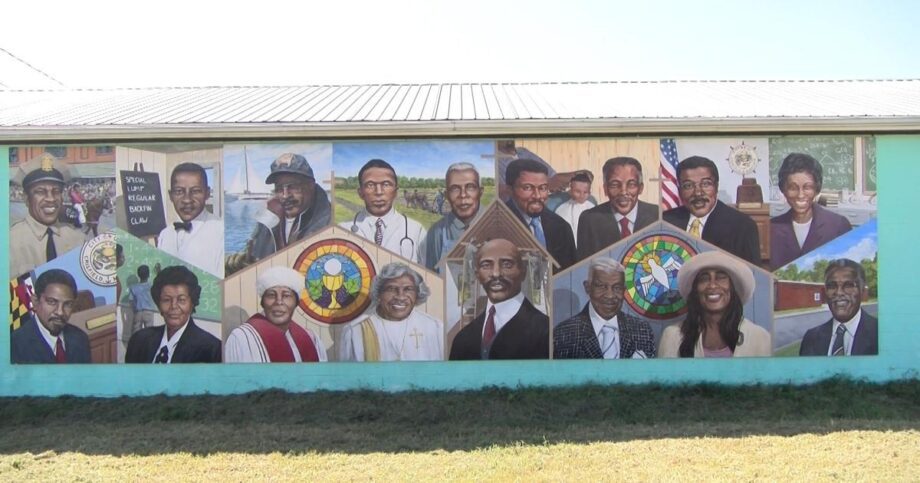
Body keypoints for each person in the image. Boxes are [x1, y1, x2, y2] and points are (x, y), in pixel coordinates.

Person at [226, 153, 332, 274]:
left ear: (311, 185)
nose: (285, 195)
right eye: (279, 188)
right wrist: (240, 264)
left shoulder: (330, 221)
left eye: (293, 187)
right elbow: (254, 256)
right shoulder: (267, 218)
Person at [449, 238, 549, 360]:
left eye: (507, 264)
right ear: (477, 275)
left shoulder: (546, 332)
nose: (496, 273)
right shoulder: (462, 340)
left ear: (523, 272)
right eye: (486, 265)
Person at [658, 251, 771, 358]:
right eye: (704, 279)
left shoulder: (759, 337)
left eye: (721, 277)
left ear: (732, 288)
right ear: (696, 291)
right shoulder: (673, 336)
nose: (712, 286)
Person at [663, 156, 761, 265]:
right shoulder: (665, 222)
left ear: (716, 186)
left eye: (705, 184)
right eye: (688, 186)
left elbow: (753, 276)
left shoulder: (742, 226)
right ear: (680, 190)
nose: (698, 193)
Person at [554, 257, 656, 359]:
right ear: (588, 288)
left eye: (617, 288)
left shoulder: (642, 330)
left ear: (624, 291)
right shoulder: (564, 334)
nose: (610, 295)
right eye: (601, 286)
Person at [339, 263, 444, 361]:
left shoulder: (434, 327)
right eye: (391, 289)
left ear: (417, 294)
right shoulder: (356, 331)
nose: (400, 296)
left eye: (408, 289)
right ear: (379, 293)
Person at [224, 266, 327, 362]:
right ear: (262, 302)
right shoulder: (243, 337)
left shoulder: (311, 338)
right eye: (271, 295)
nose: (279, 301)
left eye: (286, 295)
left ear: (296, 302)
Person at [9, 154, 88, 277]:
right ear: (26, 198)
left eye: (56, 191)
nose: (51, 198)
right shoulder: (9, 242)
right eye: (40, 192)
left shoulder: (78, 240)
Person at [770, 153, 852, 270]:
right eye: (793, 188)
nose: (800, 195)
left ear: (816, 189)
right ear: (784, 190)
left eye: (807, 187)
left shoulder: (838, 225)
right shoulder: (772, 228)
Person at [125, 266, 221, 363]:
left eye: (181, 300)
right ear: (158, 304)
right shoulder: (139, 341)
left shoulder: (211, 349)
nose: (173, 306)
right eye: (166, 300)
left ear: (192, 303)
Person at [338, 159, 426, 263]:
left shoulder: (416, 231)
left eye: (386, 184)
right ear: (360, 192)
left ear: (395, 192)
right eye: (370, 185)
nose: (379, 192)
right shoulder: (343, 230)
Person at [577, 157, 660, 260]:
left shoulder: (658, 216)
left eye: (631, 184)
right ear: (605, 189)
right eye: (615, 185)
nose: (623, 192)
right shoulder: (590, 219)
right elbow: (583, 268)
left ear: (640, 188)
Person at [504, 158, 576, 271]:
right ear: (509, 190)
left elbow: (570, 274)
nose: (537, 196)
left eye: (543, 188)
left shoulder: (561, 227)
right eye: (527, 188)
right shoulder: (497, 225)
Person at [157, 162, 224, 277]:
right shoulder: (164, 234)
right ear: (171, 195)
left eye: (195, 191)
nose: (187, 199)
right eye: (179, 191)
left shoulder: (221, 232)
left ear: (207, 193)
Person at [11, 269, 91, 364]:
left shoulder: (80, 338)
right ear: (35, 301)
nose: (60, 312)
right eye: (52, 302)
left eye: (68, 304)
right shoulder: (13, 345)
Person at [799, 259, 877, 356]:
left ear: (862, 291)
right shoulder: (810, 338)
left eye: (848, 285)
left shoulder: (880, 334)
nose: (839, 293)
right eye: (832, 286)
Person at [421, 162, 483, 270]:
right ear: (446, 195)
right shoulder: (437, 232)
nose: (463, 195)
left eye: (470, 187)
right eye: (455, 189)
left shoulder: (498, 224)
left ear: (480, 192)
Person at [553, 171, 596, 248]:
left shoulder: (593, 208)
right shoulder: (562, 209)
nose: (582, 195)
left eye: (585, 192)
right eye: (578, 191)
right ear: (571, 190)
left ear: (589, 192)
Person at [127, 264, 158, 338]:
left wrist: (135, 310)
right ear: (148, 275)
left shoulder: (134, 287)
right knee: (149, 334)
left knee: (136, 334)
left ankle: (136, 347)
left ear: (138, 275)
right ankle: (147, 348)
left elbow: (131, 301)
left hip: (138, 312)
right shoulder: (151, 286)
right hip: (149, 312)